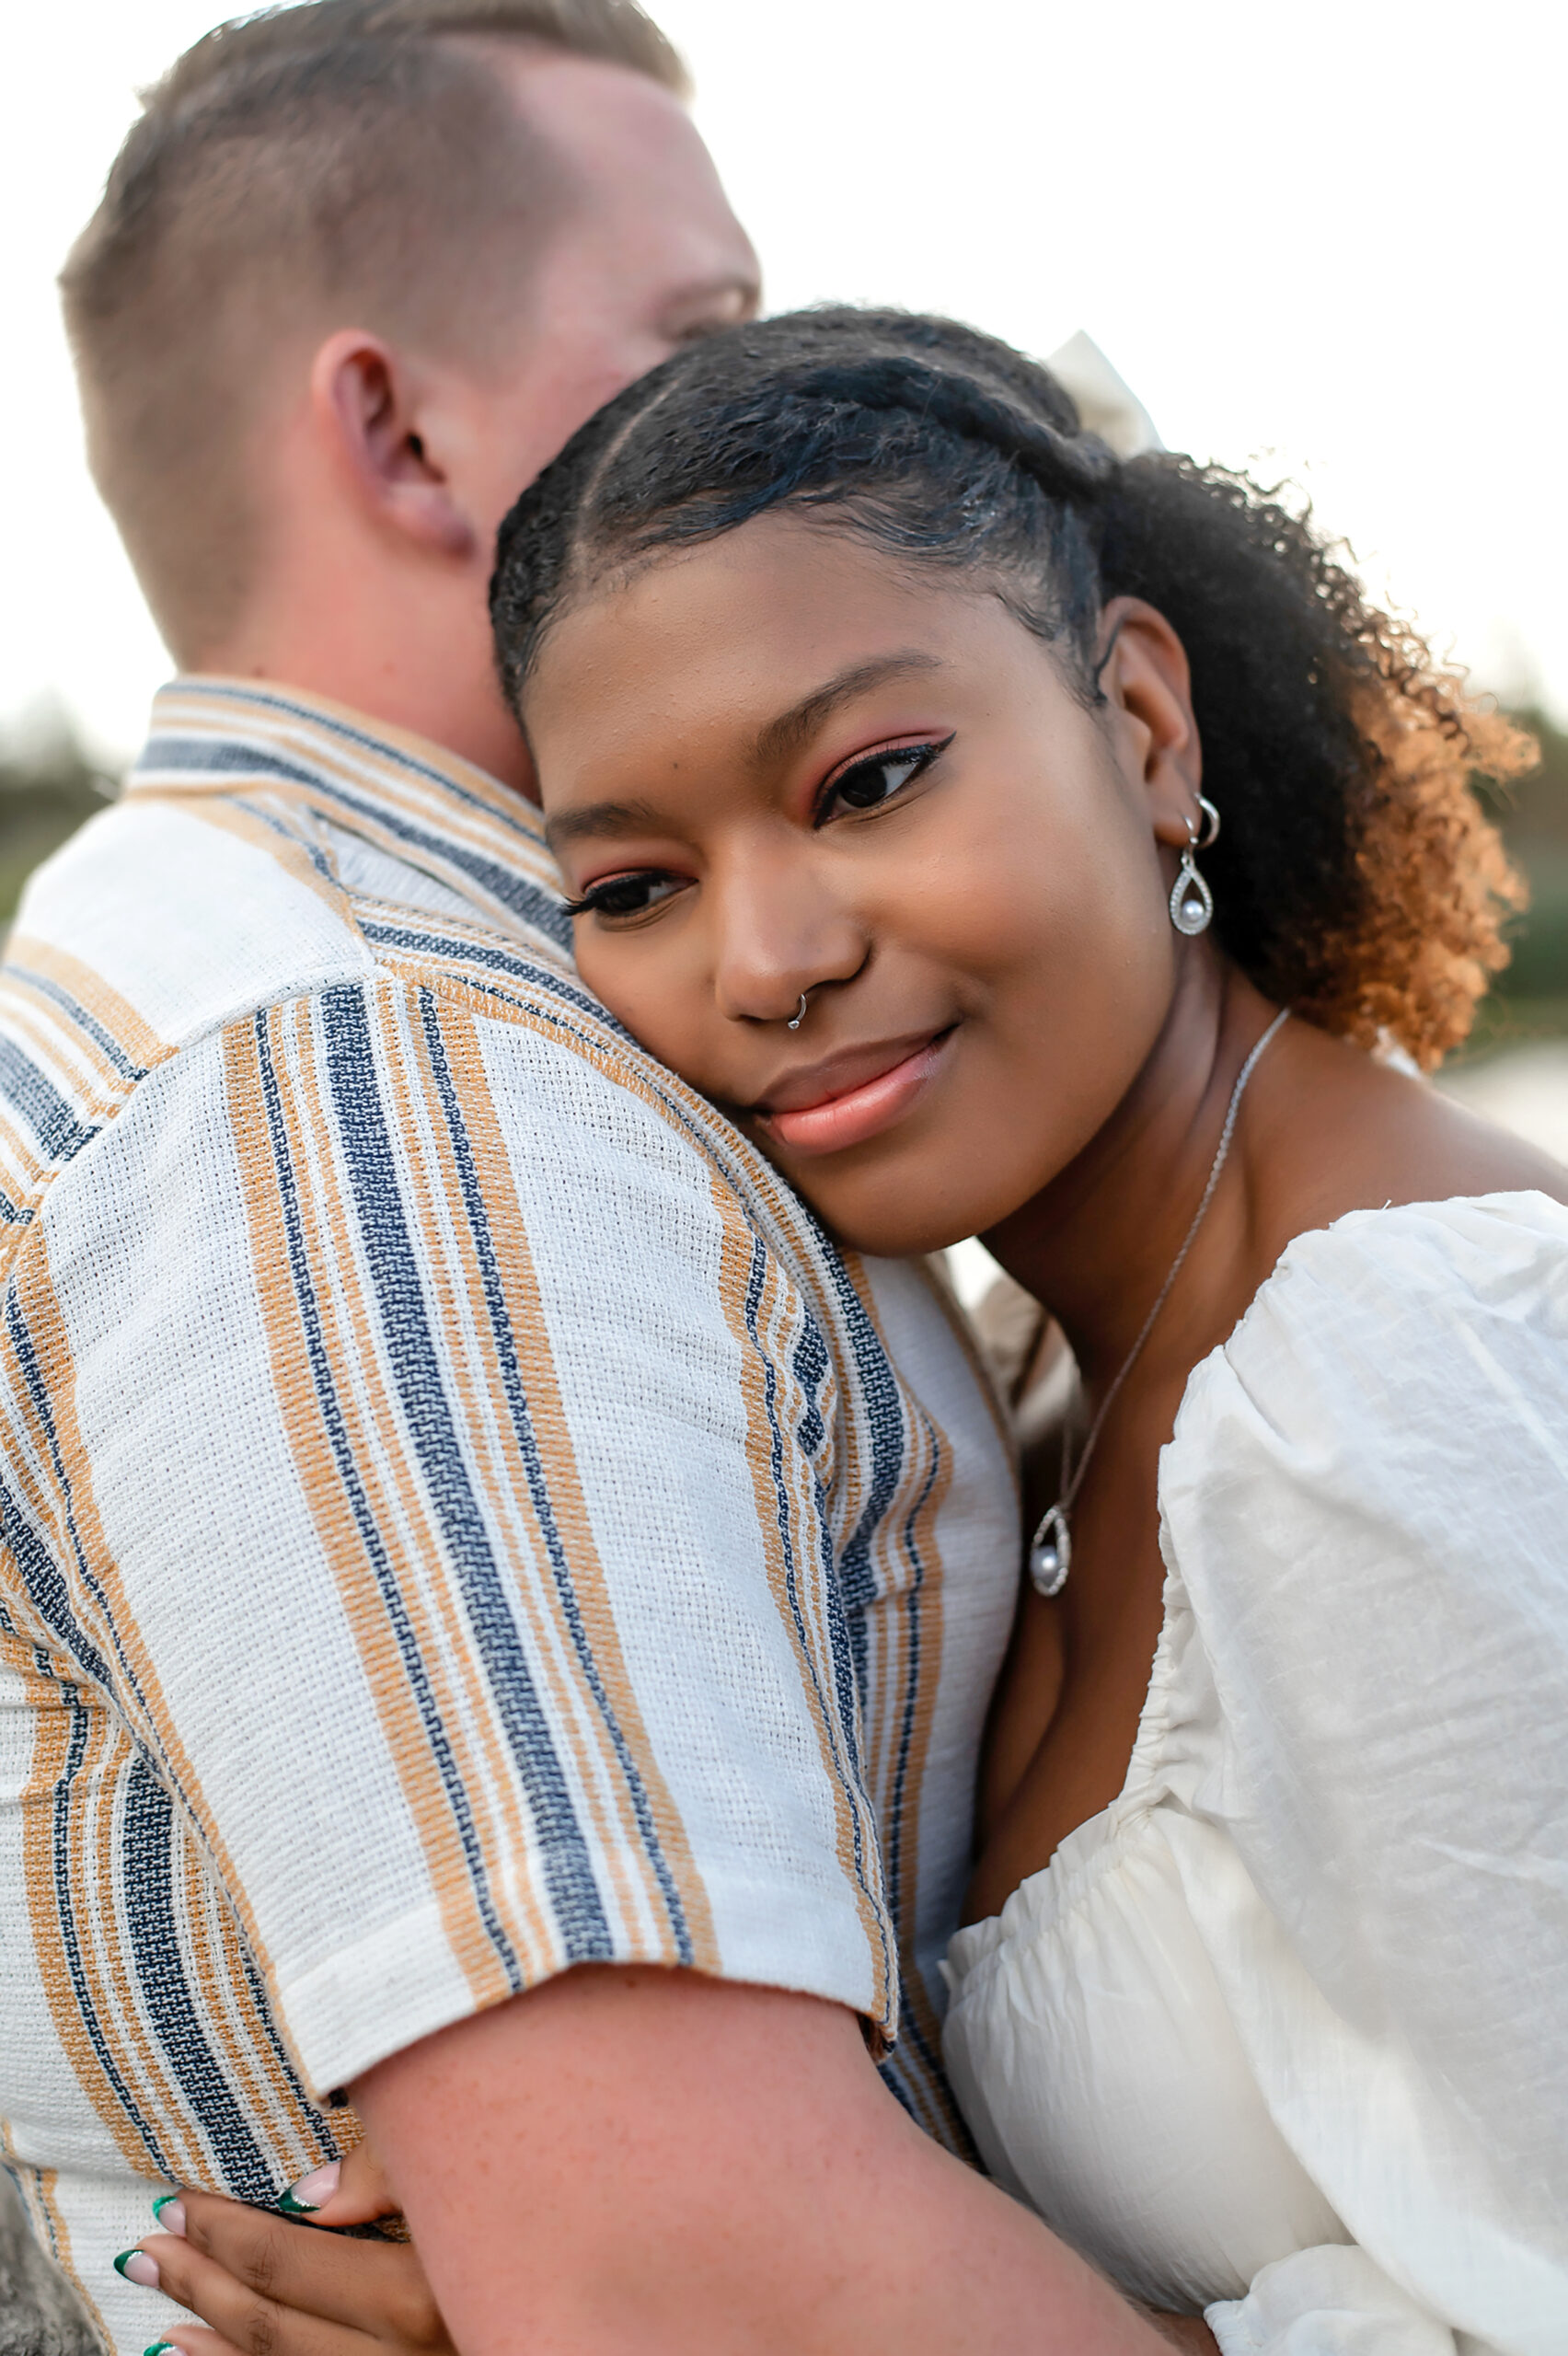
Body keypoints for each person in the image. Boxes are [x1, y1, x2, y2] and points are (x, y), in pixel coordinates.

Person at [0, 11, 1178, 2356]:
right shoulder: (372, 1070)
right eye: (694, 338)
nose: (773, 406)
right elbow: (703, 2287)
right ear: (399, 430)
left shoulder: (313, 976)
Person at [464, 307, 1562, 2351]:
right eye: (633, 884)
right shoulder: (1020, 1377)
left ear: (1143, 724)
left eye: (871, 780)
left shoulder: (1397, 1376)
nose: (770, 957)